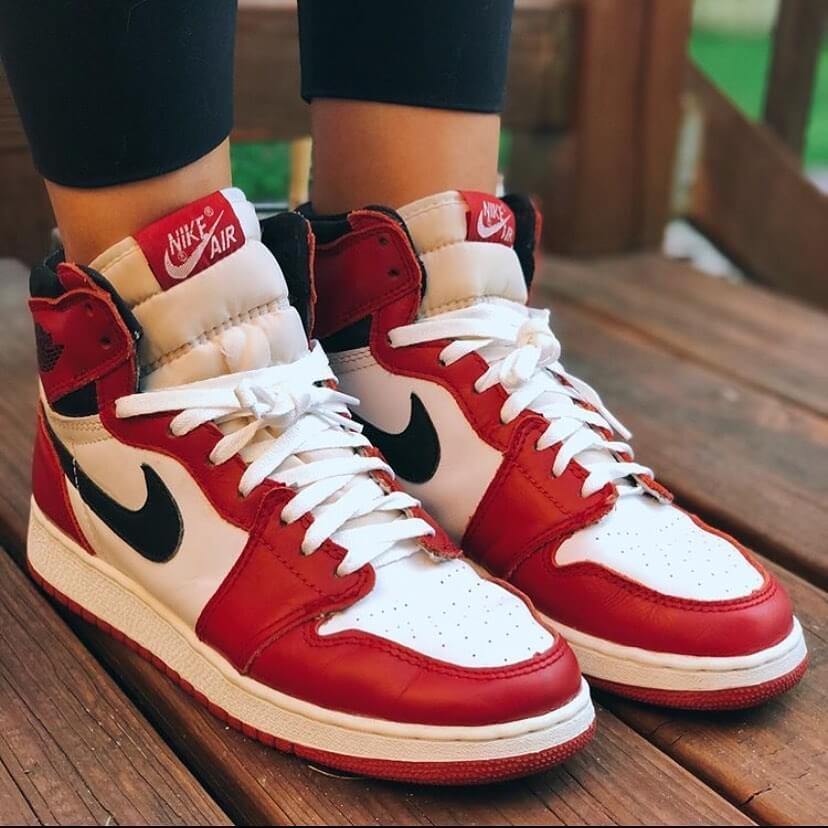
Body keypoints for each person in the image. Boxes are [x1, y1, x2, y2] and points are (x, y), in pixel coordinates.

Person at [0, 0, 805, 785]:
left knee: (431, 228)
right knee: (170, 294)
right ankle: (170, 380)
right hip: (138, 390)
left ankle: (423, 307)